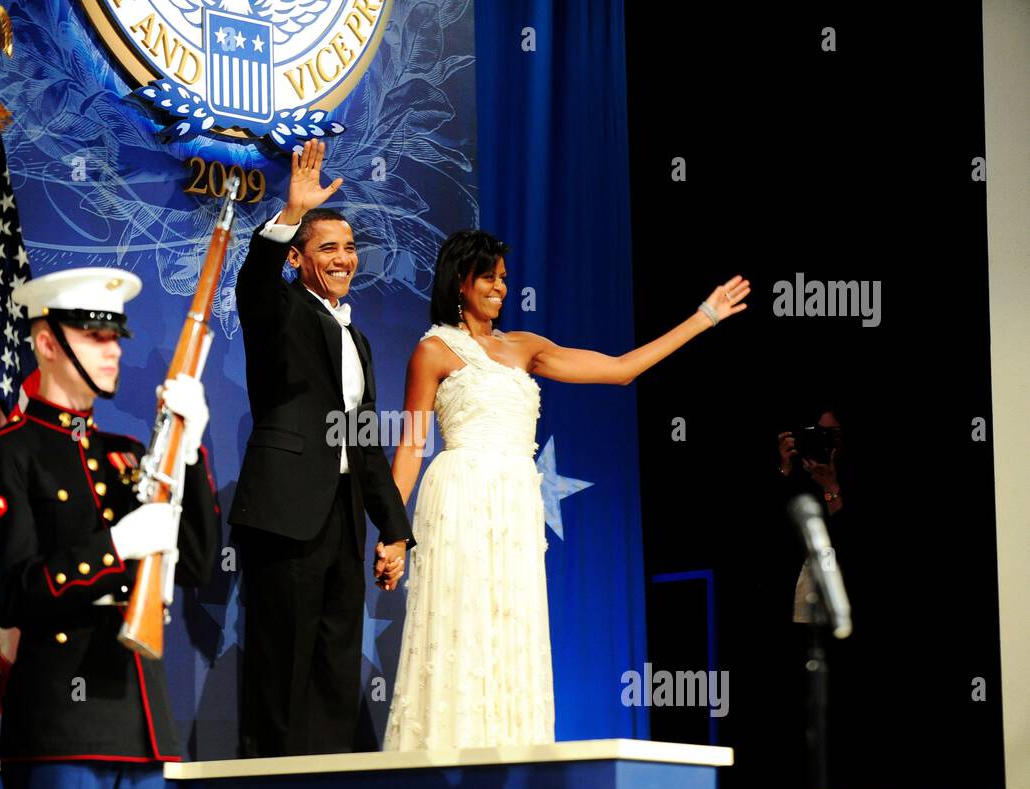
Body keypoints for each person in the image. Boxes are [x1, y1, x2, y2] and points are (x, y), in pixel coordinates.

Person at [384, 230, 749, 750]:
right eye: (488, 277)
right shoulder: (433, 351)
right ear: (459, 282)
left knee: (510, 626)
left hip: (513, 501)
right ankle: (444, 766)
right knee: (458, 627)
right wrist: (394, 533)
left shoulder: (526, 348)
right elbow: (410, 451)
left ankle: (510, 762)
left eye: (504, 279)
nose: (499, 288)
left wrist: (703, 317)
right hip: (460, 500)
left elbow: (620, 371)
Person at [0, 267, 219, 789]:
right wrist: (115, 549)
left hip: (140, 720)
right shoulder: (7, 455)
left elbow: (198, 564)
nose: (111, 352)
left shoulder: (129, 456)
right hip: (60, 723)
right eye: (93, 337)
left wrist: (192, 448)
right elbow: (11, 592)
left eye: (114, 339)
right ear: (47, 342)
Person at [231, 139, 413, 757]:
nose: (342, 259)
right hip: (285, 515)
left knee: (338, 661)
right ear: (300, 260)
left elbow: (365, 445)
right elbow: (253, 280)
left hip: (342, 515)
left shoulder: (356, 339)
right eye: (327, 248)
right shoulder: (278, 308)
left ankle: (329, 786)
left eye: (350, 248)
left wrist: (394, 531)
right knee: (282, 664)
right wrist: (288, 216)